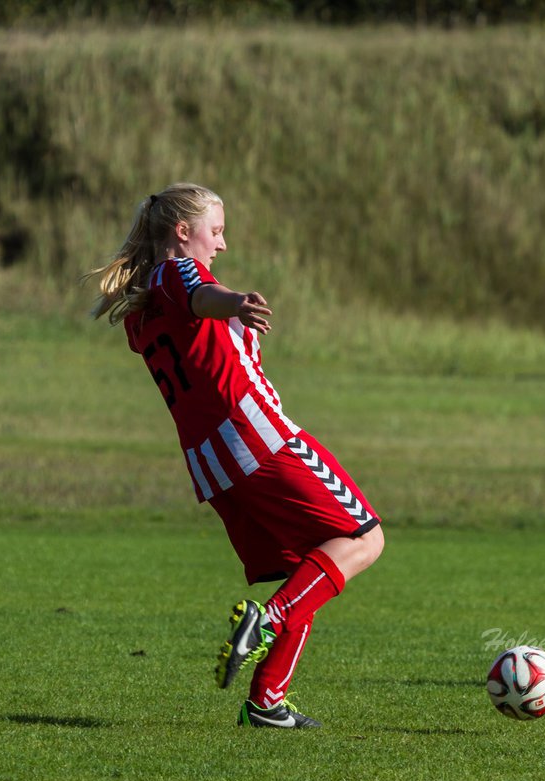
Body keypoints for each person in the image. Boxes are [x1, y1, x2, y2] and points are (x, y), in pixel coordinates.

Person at [86, 182, 384, 729]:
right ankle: (267, 622)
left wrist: (228, 315)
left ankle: (267, 702)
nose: (221, 244)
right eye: (216, 230)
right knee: (365, 539)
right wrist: (236, 302)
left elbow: (196, 329)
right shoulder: (175, 274)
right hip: (259, 438)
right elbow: (200, 294)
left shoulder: (142, 313)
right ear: (182, 232)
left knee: (312, 570)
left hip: (214, 464)